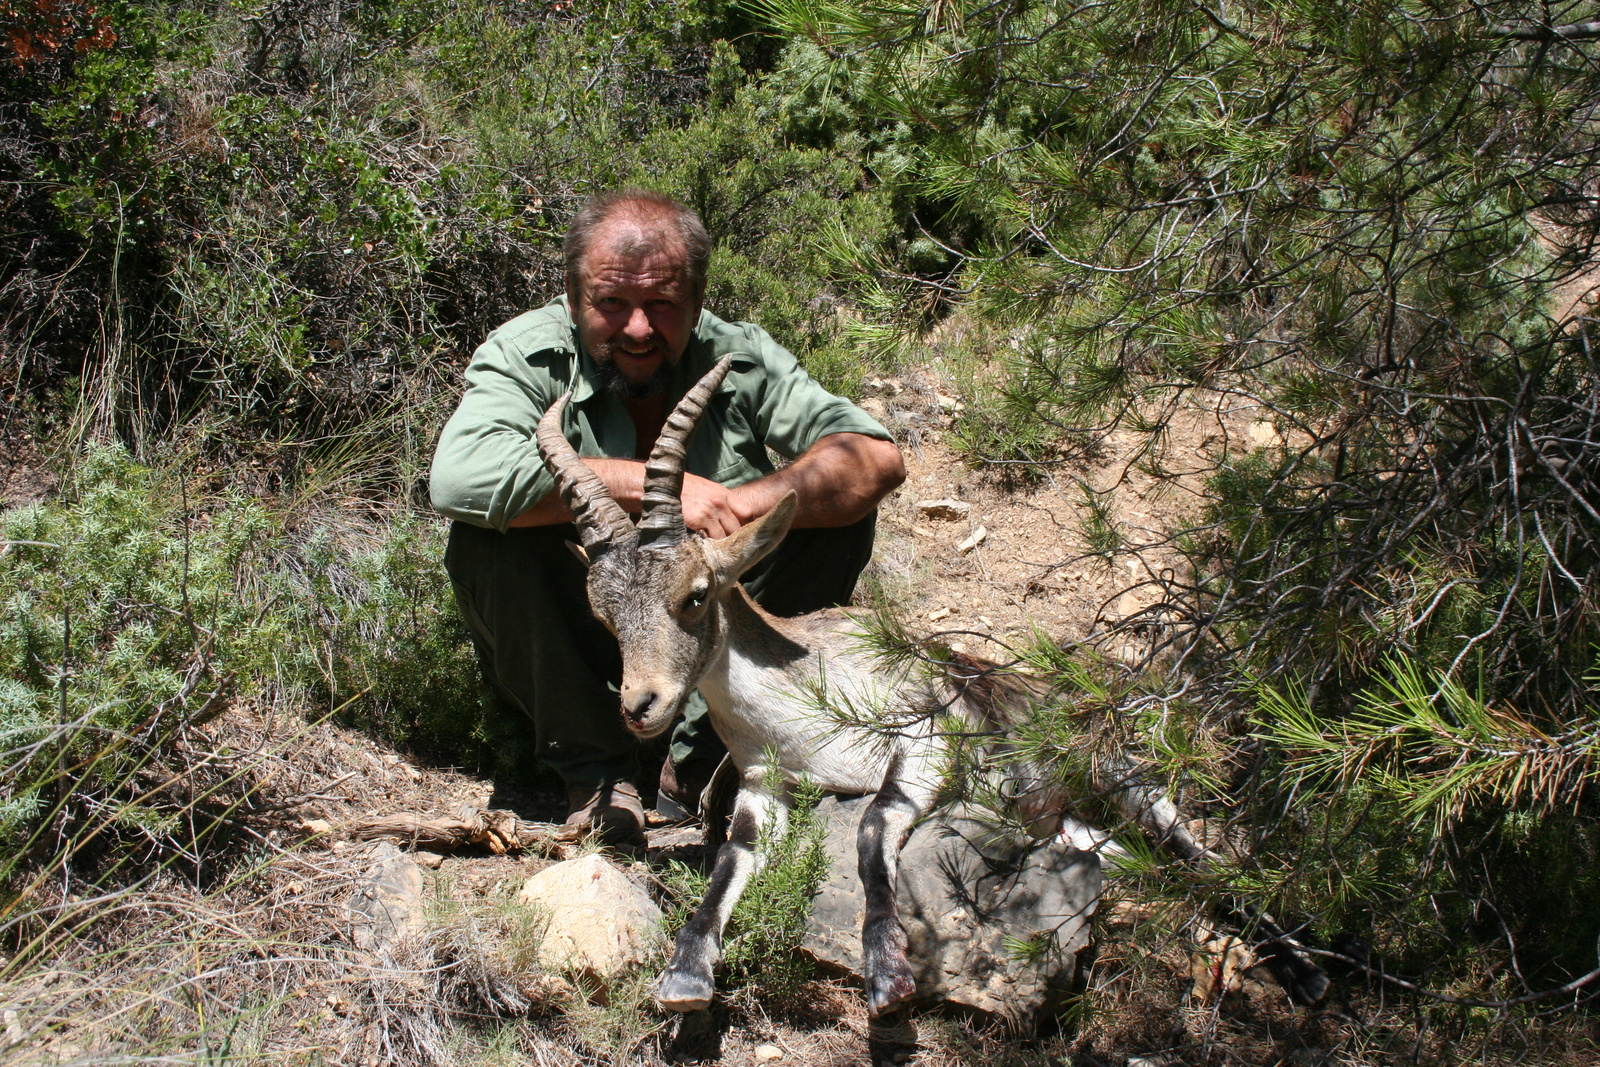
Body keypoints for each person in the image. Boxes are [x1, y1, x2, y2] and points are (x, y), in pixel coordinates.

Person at [429, 189, 905, 843]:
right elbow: (458, 475)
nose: (638, 329)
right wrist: (653, 486)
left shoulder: (737, 353)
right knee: (487, 539)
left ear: (696, 301)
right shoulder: (528, 354)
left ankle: (704, 762)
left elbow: (874, 459)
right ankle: (597, 774)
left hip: (709, 634)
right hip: (593, 642)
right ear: (573, 299)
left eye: (661, 304)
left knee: (831, 513)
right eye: (611, 304)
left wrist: (739, 506)